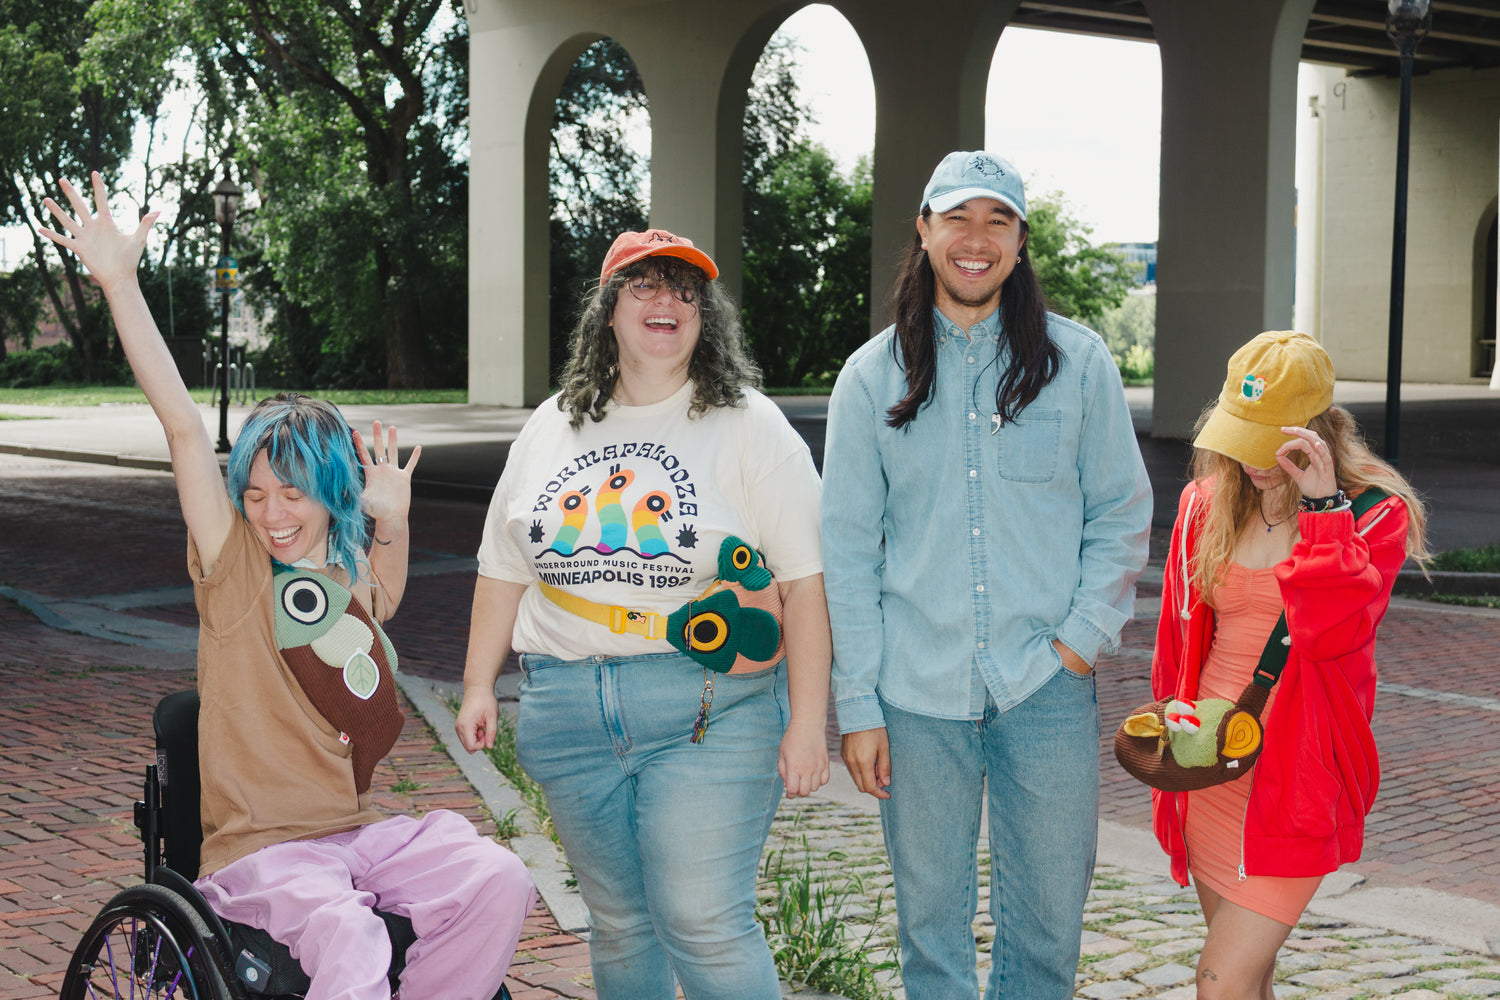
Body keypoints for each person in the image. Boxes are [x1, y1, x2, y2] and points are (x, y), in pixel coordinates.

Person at [40, 173, 536, 1000]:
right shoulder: (236, 572)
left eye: (294, 495)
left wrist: (393, 521)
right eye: (257, 493)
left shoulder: (340, 572)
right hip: (260, 857)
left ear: (332, 495)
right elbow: (183, 428)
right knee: (350, 937)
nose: (272, 514)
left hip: (352, 839)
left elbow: (385, 597)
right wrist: (121, 283)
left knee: (498, 878)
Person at [455, 229, 831, 1000]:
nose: (668, 301)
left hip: (707, 708)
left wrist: (806, 723)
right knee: (620, 922)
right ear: (608, 310)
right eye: (646, 285)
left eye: (686, 290)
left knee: (703, 919)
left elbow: (805, 585)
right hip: (567, 706)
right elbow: (503, 568)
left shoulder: (749, 425)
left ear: (705, 316)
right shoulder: (551, 423)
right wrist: (477, 686)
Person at [820, 150, 1153, 1000]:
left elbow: (1120, 513)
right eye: (958, 218)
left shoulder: (1080, 364)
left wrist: (1077, 645)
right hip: (914, 694)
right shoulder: (868, 378)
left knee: (1048, 929)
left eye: (997, 220)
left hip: (1046, 687)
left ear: (1020, 239)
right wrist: (859, 705)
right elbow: (847, 552)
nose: (977, 239)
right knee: (930, 934)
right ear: (924, 230)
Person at [1149, 330, 1428, 1000]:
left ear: (1317, 431)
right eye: (1240, 438)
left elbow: (1331, 635)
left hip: (1295, 780)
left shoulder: (1372, 515)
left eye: (1268, 443)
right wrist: (1170, 728)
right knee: (1249, 982)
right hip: (1210, 764)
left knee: (1219, 983)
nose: (1251, 461)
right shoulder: (1206, 501)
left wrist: (1325, 511)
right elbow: (1177, 641)